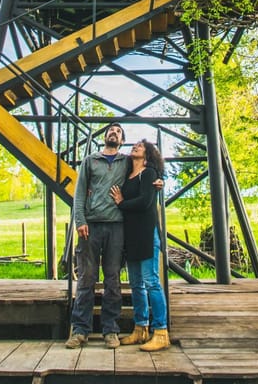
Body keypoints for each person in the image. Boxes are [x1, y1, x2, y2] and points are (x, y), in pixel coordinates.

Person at [65, 122, 130, 350]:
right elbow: (80, 191)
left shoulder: (126, 162)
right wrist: (80, 220)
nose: (114, 132)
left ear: (122, 140)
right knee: (86, 278)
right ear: (104, 136)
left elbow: (146, 171)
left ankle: (110, 330)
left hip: (116, 226)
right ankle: (80, 330)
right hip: (91, 226)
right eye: (111, 130)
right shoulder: (90, 161)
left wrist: (158, 181)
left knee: (113, 279)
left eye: (119, 131)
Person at [110, 139, 170, 352]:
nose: (135, 146)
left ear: (148, 153)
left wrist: (122, 203)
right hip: (132, 235)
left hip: (146, 233)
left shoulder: (150, 173)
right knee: (136, 284)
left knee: (151, 281)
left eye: (141, 145)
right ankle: (140, 328)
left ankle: (161, 331)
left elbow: (145, 202)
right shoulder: (128, 173)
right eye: (134, 145)